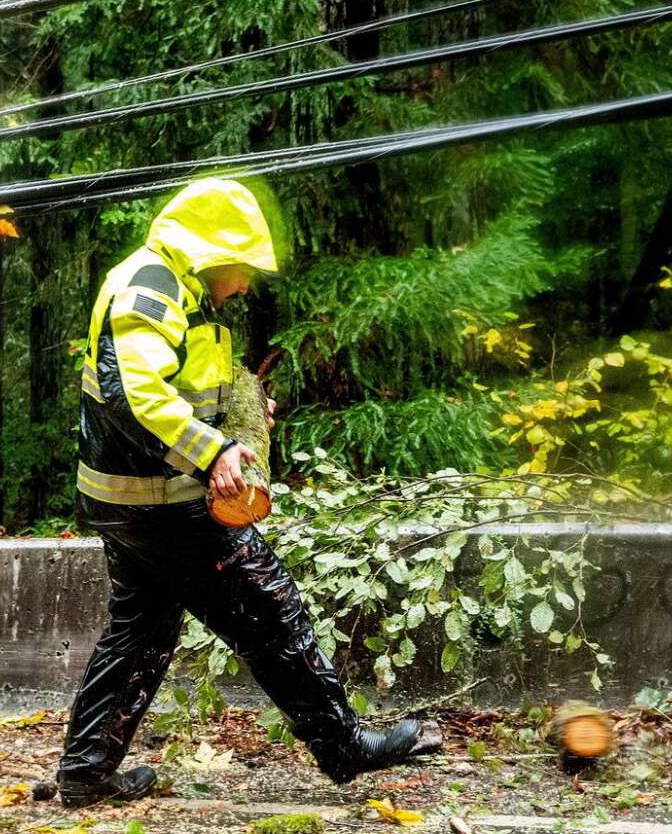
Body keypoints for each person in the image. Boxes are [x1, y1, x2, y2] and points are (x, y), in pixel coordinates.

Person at [53, 177, 440, 808]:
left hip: (134, 499)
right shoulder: (149, 287)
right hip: (162, 503)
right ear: (213, 252)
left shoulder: (176, 291)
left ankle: (85, 771)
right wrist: (214, 452)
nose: (247, 285)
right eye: (244, 270)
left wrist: (241, 420)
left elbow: (181, 389)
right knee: (274, 609)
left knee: (142, 630)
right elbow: (135, 393)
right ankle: (344, 747)